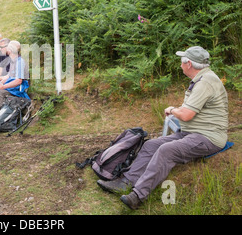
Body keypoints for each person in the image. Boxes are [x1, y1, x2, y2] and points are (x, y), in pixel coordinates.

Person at [97, 46, 229, 210]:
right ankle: (126, 182)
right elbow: (190, 110)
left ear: (188, 63)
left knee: (167, 150)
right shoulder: (202, 79)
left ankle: (137, 196)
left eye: (182, 61)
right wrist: (177, 110)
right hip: (191, 133)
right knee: (151, 145)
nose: (180, 64)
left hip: (208, 137)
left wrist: (172, 110)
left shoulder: (205, 83)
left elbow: (187, 115)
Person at [0, 41, 30, 124]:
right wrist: (3, 78)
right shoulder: (13, 60)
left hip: (18, 89)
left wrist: (3, 87)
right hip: (11, 86)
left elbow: (18, 81)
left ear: (10, 50)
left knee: (0, 93)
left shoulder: (19, 62)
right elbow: (11, 74)